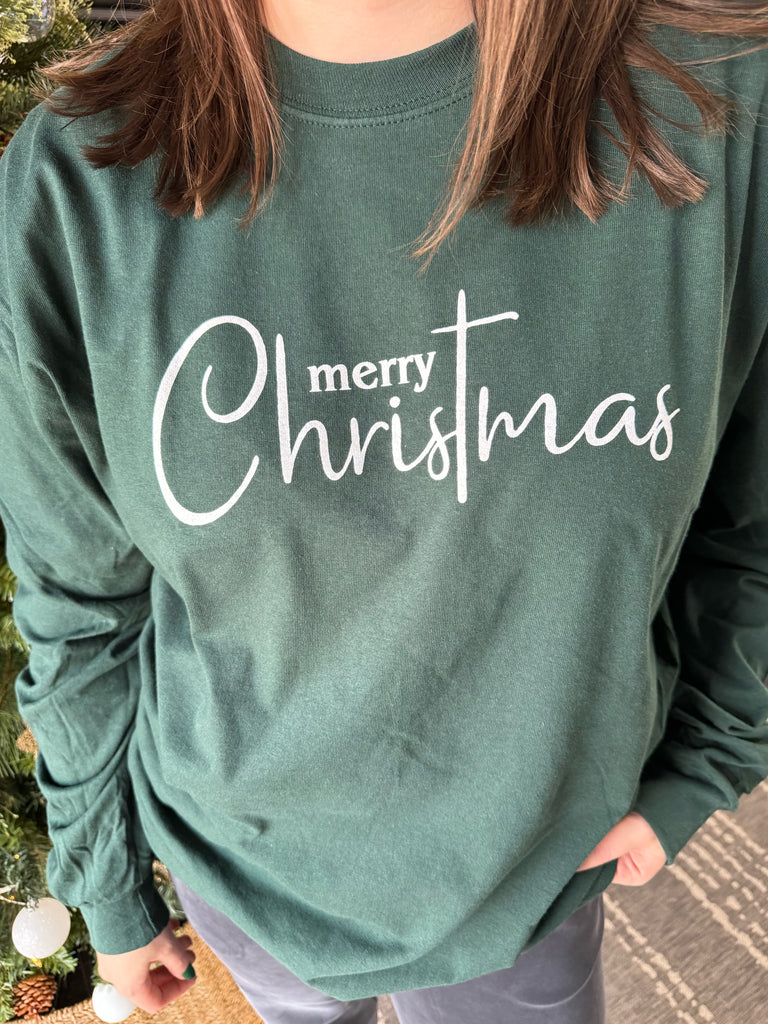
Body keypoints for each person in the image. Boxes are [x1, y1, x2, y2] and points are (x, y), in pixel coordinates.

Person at [2, 0, 768, 1021]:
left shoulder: (715, 105)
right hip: (242, 871)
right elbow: (79, 599)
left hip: (539, 872)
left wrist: (709, 758)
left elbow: (753, 521)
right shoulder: (78, 179)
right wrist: (105, 884)